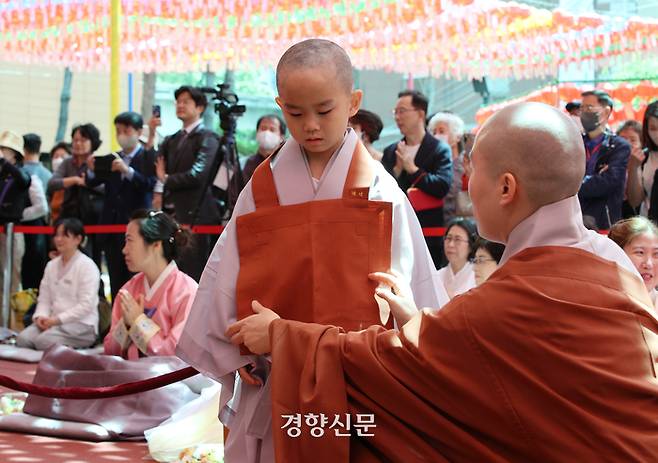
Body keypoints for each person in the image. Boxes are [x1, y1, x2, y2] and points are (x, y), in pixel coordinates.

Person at [226, 102, 658, 462]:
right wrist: (420, 320)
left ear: (506, 188)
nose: (468, 185)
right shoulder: (613, 263)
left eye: (475, 173)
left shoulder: (506, 303)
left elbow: (384, 361)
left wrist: (282, 335)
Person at [176, 39, 445, 463]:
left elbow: (409, 287)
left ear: (353, 101)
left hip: (355, 371)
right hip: (271, 369)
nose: (311, 125)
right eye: (296, 114)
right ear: (281, 105)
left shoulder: (376, 188)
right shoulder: (263, 188)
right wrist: (234, 350)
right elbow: (228, 270)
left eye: (324, 110)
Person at [104, 210, 197, 359]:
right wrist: (126, 325)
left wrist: (138, 323)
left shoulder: (186, 291)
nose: (124, 250)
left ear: (156, 244)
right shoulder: (129, 289)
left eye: (130, 240)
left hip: (172, 382)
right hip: (131, 377)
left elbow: (178, 355)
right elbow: (109, 351)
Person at [86, 111, 157, 300]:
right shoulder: (112, 157)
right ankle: (116, 323)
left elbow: (149, 184)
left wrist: (128, 171)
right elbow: (92, 183)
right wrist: (92, 170)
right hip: (111, 227)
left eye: (126, 130)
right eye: (118, 130)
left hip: (136, 227)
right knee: (115, 279)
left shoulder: (148, 156)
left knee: (136, 278)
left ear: (138, 131)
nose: (122, 135)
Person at [154, 85, 221, 281]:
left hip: (198, 215)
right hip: (173, 214)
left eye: (186, 102)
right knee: (173, 271)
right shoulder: (171, 139)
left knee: (194, 274)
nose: (180, 105)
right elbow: (157, 165)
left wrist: (166, 179)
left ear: (199, 107)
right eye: (178, 102)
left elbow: (198, 175)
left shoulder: (208, 137)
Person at [382, 90, 453, 267]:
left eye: (402, 111)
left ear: (420, 113)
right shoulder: (392, 151)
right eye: (395, 112)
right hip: (397, 231)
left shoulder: (439, 149)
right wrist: (397, 171)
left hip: (429, 233)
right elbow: (382, 192)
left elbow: (442, 187)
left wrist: (413, 170)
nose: (398, 117)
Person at [16, 218, 99, 350]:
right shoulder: (51, 265)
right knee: (23, 339)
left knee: (44, 341)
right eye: (57, 235)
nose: (59, 239)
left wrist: (57, 320)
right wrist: (40, 317)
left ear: (78, 239)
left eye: (64, 235)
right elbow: (44, 298)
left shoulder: (87, 266)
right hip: (52, 322)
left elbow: (86, 305)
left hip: (81, 324)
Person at [47, 124, 105, 271]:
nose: (78, 144)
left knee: (92, 258)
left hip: (93, 218)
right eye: (75, 140)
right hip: (70, 217)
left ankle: (97, 293)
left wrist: (88, 182)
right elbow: (52, 183)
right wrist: (74, 180)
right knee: (66, 258)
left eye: (83, 140)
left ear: (93, 142)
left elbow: (106, 188)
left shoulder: (99, 162)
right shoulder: (67, 163)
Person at [577, 90, 631, 229]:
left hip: (604, 221)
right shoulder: (575, 142)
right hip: (576, 218)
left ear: (606, 112)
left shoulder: (619, 146)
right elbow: (563, 175)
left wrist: (574, 184)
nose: (583, 112)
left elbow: (609, 182)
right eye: (581, 108)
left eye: (589, 108)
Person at [0, 130, 31, 306]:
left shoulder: (20, 173)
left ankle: (10, 320)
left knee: (11, 276)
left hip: (12, 230)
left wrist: (4, 162)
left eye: (6, 148)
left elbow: (24, 181)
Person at [427, 112, 471, 223]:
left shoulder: (467, 163)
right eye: (433, 132)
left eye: (441, 131)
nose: (436, 135)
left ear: (457, 136)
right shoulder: (430, 165)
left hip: (463, 225)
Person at [20, 133, 50, 290]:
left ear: (23, 149)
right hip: (43, 230)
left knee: (25, 272)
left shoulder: (20, 173)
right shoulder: (48, 175)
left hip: (22, 229)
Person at [608, 216, 658, 308]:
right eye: (640, 252)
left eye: (656, 254)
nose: (648, 264)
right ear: (617, 254)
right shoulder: (603, 305)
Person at [626, 101, 658, 220]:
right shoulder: (643, 157)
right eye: (653, 128)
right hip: (649, 227)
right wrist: (634, 168)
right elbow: (635, 201)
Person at [435, 217, 477, 299]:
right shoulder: (437, 275)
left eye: (457, 239)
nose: (451, 244)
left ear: (471, 245)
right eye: (448, 238)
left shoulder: (478, 274)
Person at [242, 115, 287, 181]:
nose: (267, 133)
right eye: (263, 128)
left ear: (282, 137)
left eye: (272, 130)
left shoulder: (287, 165)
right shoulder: (244, 163)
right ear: (257, 133)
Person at [617, 119, 644, 218]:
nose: (627, 144)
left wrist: (633, 167)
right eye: (623, 138)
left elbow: (635, 201)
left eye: (633, 140)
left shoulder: (644, 165)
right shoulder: (610, 162)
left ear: (642, 144)